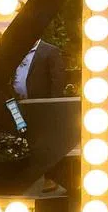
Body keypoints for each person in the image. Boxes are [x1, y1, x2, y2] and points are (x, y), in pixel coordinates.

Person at [12, 38, 67, 194]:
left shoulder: (50, 51)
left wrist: (52, 106)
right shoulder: (16, 51)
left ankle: (51, 178)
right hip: (17, 105)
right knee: (23, 136)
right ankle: (27, 176)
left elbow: (58, 81)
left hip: (41, 106)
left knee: (45, 140)